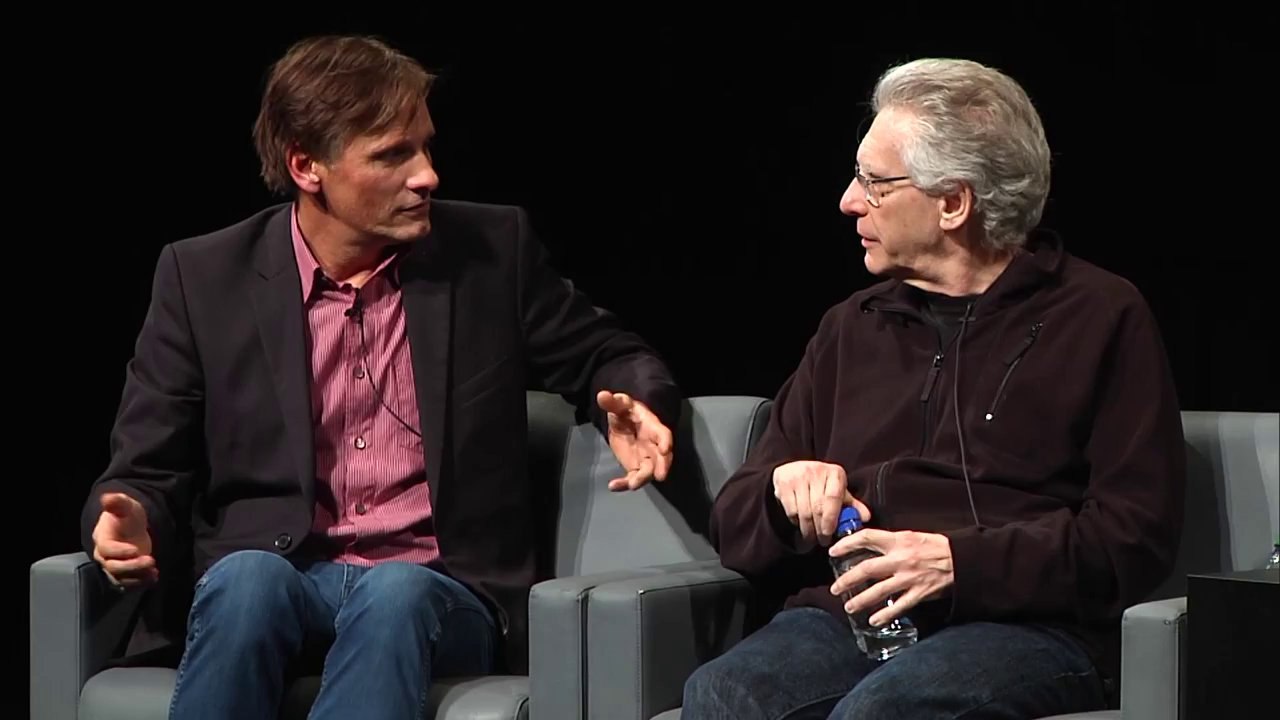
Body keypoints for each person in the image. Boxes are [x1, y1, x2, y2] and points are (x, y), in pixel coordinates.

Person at [81, 34, 682, 720]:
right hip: (282, 578)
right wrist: (124, 519)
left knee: (393, 591)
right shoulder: (204, 278)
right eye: (393, 155)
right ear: (308, 167)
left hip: (439, 590)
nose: (427, 175)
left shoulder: (489, 255)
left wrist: (633, 397)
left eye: (425, 146)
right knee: (245, 579)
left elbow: (606, 350)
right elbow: (145, 467)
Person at [682, 57, 1185, 719]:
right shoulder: (848, 329)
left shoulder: (1102, 317)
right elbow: (734, 519)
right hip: (852, 618)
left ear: (952, 203)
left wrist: (959, 565)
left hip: (1027, 627)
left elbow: (1133, 537)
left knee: (887, 712)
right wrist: (781, 493)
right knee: (723, 696)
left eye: (874, 183)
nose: (849, 201)